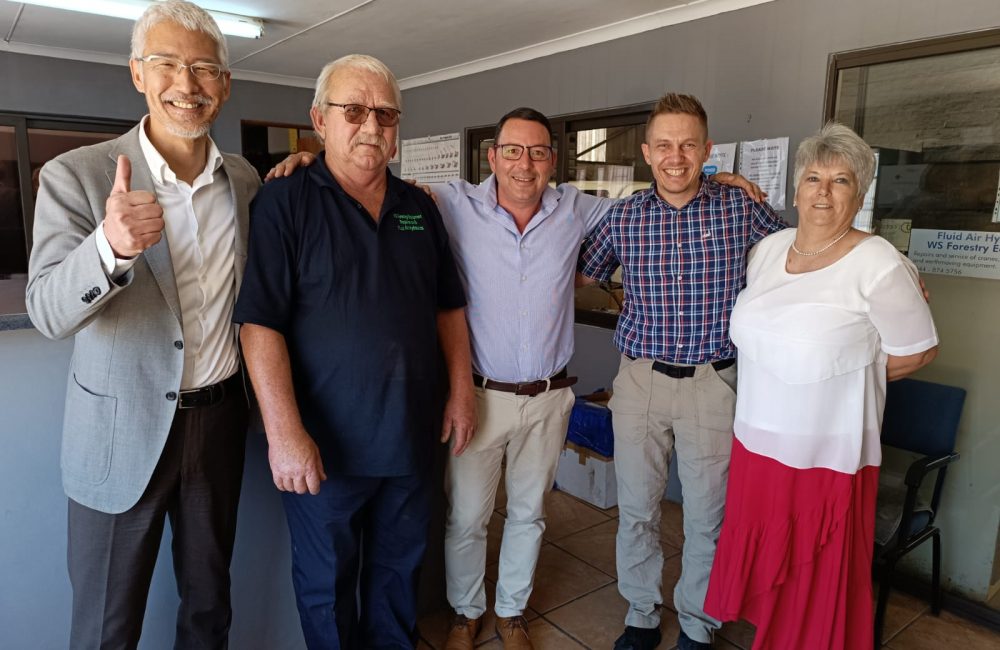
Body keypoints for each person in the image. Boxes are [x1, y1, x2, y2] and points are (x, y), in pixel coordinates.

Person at [267, 107, 762, 650]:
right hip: (479, 395)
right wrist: (313, 160)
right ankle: (465, 614)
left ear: (553, 159)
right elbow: (372, 174)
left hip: (550, 396)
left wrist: (721, 179)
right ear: (492, 157)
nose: (524, 164)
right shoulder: (450, 202)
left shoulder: (582, 208)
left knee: (529, 515)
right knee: (467, 518)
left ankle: (511, 612)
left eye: (538, 152)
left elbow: (668, 191)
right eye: (512, 151)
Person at [25, 1, 259, 647]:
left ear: (224, 84)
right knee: (106, 625)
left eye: (204, 68)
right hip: (118, 432)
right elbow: (46, 311)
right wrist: (109, 248)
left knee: (209, 609)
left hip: (219, 423)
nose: (187, 83)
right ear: (137, 73)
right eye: (166, 64)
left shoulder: (244, 181)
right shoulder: (77, 175)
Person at [233, 54, 475, 649]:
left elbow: (448, 308)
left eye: (386, 114)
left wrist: (462, 391)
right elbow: (259, 324)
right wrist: (284, 433)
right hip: (325, 449)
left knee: (398, 581)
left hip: (411, 440)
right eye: (355, 111)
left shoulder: (420, 208)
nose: (372, 125)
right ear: (320, 119)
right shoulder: (284, 202)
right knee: (327, 589)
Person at [703, 123, 939, 649]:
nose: (824, 192)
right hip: (757, 442)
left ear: (860, 193)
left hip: (826, 454)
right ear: (796, 189)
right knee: (773, 579)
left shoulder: (879, 263)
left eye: (841, 180)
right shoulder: (767, 250)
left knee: (814, 583)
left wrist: (841, 374)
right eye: (813, 178)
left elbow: (918, 351)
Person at [578, 93, 787, 650]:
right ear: (647, 152)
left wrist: (884, 268)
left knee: (707, 517)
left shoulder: (740, 207)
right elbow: (580, 272)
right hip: (640, 380)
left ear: (706, 150)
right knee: (637, 510)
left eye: (688, 145)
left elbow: (801, 257)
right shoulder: (623, 216)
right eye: (665, 145)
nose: (676, 157)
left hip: (712, 383)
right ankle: (641, 614)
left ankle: (698, 623)